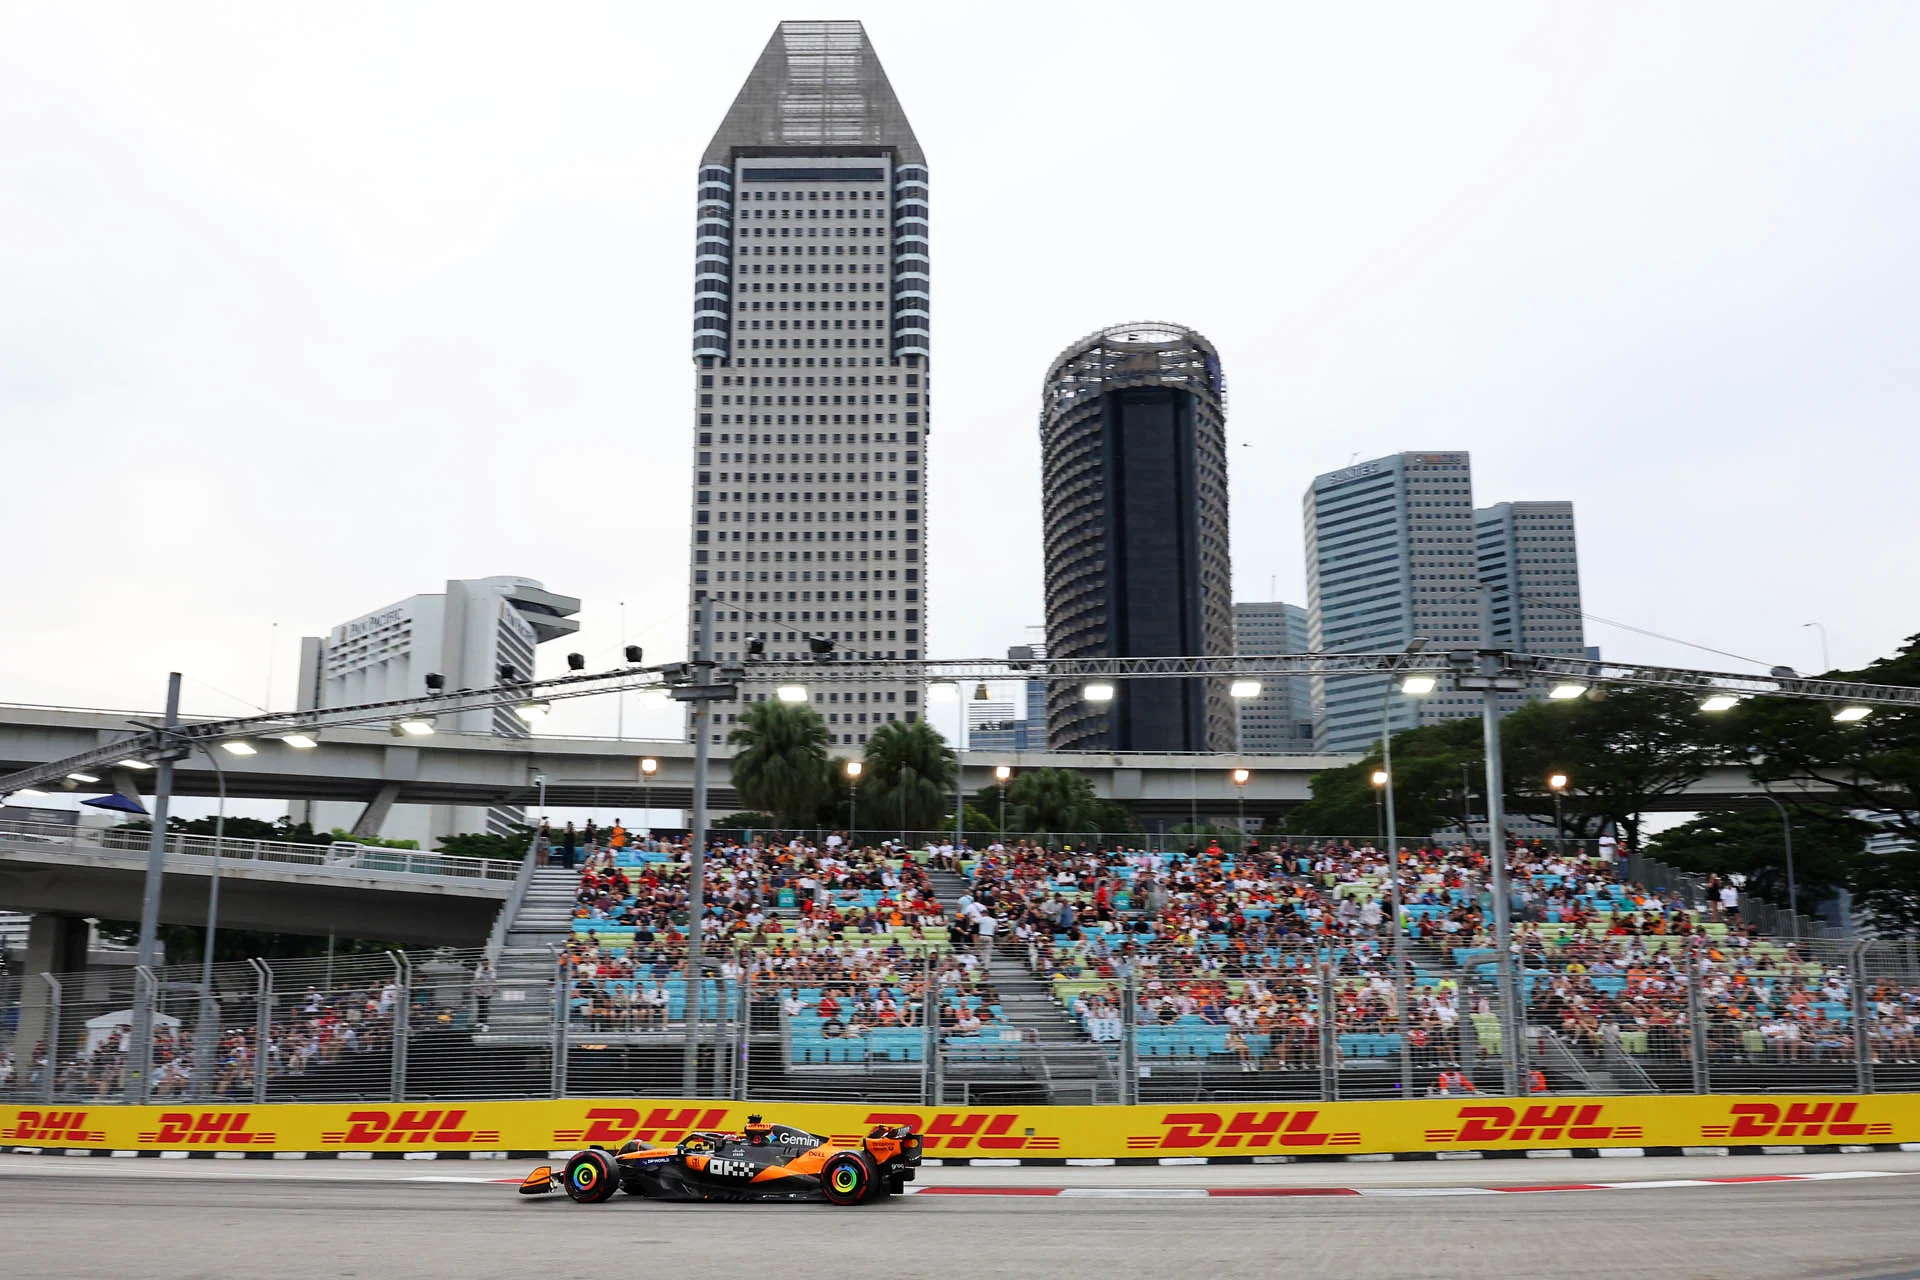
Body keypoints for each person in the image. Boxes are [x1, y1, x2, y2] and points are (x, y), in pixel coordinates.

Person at [473, 958, 496, 1032]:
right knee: (480, 1007)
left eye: (487, 963)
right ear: (482, 964)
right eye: (484, 963)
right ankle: (480, 1022)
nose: (486, 965)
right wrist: (477, 986)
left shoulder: (492, 970)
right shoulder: (479, 970)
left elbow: (494, 979)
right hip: (479, 991)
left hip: (488, 991)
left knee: (485, 1007)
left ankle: (485, 1024)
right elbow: (477, 979)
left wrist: (495, 987)